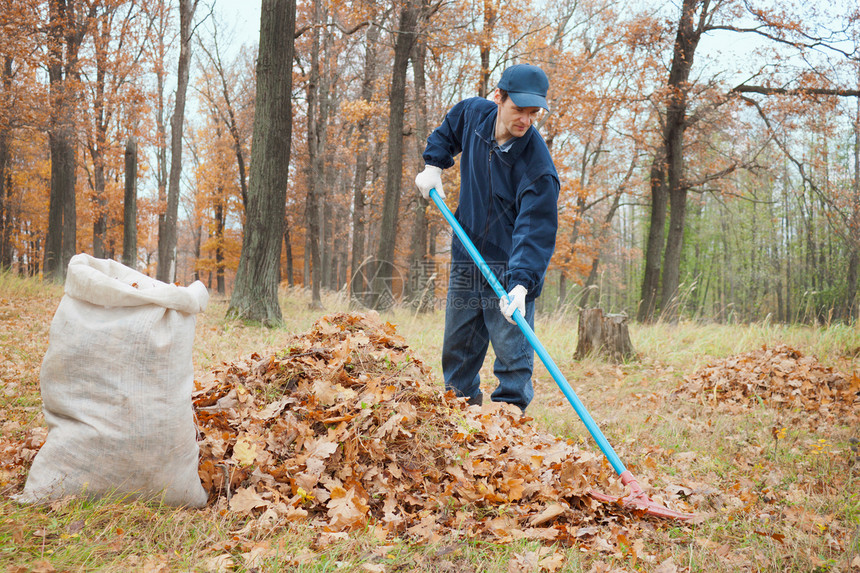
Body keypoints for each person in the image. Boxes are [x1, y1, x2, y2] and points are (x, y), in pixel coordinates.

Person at [414, 63, 560, 413]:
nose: (525, 120)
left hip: (509, 270)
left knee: (512, 358)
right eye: (518, 109)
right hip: (467, 253)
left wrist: (522, 285)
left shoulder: (538, 168)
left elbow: (535, 228)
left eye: (533, 112)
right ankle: (457, 415)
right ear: (498, 97)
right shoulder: (473, 114)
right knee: (458, 348)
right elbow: (446, 133)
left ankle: (509, 430)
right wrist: (434, 165)